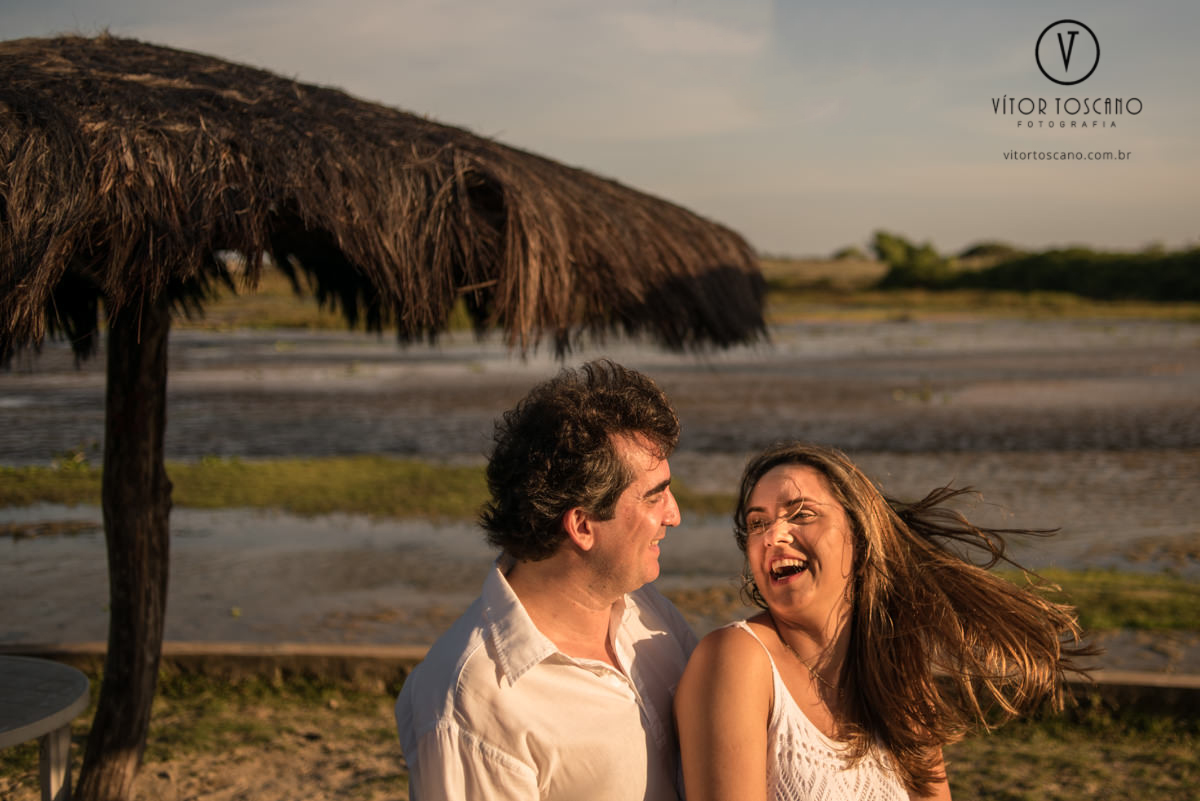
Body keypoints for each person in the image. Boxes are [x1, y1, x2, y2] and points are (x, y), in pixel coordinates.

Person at [674, 442, 1093, 801]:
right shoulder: (738, 659)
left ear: (859, 536)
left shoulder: (897, 675)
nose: (773, 535)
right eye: (757, 523)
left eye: (801, 514)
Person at [395, 359, 698, 800]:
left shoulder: (648, 612)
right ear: (582, 526)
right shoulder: (474, 700)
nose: (674, 515)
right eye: (654, 497)